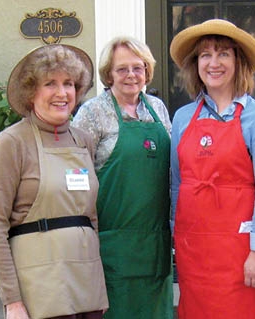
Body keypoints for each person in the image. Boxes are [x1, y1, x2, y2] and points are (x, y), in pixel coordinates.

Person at [169, 19, 255, 318]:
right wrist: (176, 236)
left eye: (223, 53)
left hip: (242, 253)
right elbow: (176, 184)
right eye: (205, 54)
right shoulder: (183, 118)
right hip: (194, 253)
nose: (214, 62)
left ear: (238, 62)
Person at [0, 44, 108, 319]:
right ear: (31, 92)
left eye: (68, 84)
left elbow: (91, 218)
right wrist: (12, 301)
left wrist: (97, 280)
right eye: (50, 83)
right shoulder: (11, 142)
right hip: (39, 285)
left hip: (86, 281)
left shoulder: (82, 140)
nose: (62, 93)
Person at [71, 36, 173, 319]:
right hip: (112, 245)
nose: (131, 75)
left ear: (147, 71)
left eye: (138, 68)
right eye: (122, 69)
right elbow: (75, 174)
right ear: (109, 74)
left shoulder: (158, 108)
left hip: (155, 244)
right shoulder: (93, 112)